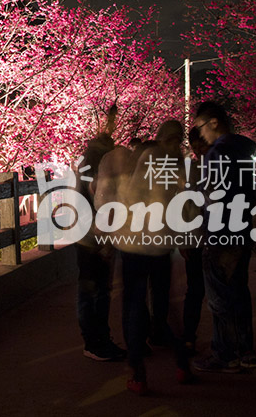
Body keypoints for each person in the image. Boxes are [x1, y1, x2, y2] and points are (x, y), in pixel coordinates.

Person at [115, 120, 194, 394]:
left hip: (136, 245)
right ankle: (182, 363)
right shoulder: (180, 163)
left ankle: (138, 374)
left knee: (134, 308)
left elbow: (132, 198)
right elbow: (186, 206)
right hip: (162, 246)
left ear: (160, 136)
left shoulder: (151, 156)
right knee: (166, 307)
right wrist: (185, 240)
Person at [191, 101, 256, 373]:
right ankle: (246, 350)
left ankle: (225, 353)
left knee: (219, 296)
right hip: (241, 230)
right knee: (239, 291)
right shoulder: (244, 151)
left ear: (214, 122)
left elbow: (212, 197)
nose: (201, 134)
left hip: (220, 233)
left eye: (201, 127)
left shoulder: (217, 153)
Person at [74, 131, 125, 362]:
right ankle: (96, 343)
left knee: (92, 290)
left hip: (85, 238)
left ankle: (97, 340)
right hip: (93, 240)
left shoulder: (84, 167)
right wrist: (105, 242)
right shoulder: (95, 171)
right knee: (97, 292)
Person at [181, 126, 209, 354]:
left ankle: (189, 336)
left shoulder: (196, 167)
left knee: (197, 290)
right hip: (200, 237)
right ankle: (189, 336)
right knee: (196, 289)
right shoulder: (192, 168)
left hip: (206, 237)